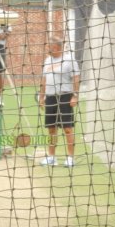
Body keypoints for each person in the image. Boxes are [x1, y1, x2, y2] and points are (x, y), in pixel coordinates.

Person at [39, 36, 80, 167]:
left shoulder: (69, 60)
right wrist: (41, 96)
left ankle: (70, 158)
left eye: (50, 46)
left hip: (65, 97)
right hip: (50, 97)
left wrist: (75, 96)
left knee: (67, 129)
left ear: (57, 47)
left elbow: (76, 78)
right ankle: (51, 157)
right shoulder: (47, 61)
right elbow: (44, 80)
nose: (48, 49)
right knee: (51, 129)